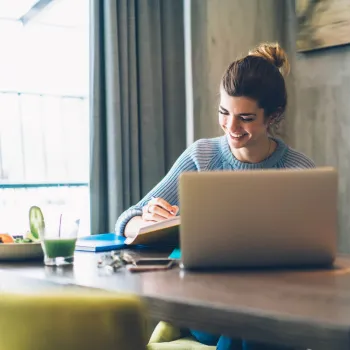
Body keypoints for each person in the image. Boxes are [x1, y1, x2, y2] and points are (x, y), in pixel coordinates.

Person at [115, 42, 315, 349]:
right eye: (224, 112)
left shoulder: (299, 170)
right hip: (206, 307)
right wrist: (146, 220)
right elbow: (125, 220)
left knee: (253, 323)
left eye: (245, 118)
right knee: (244, 327)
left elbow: (315, 254)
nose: (231, 127)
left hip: (273, 305)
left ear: (272, 116)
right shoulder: (202, 155)